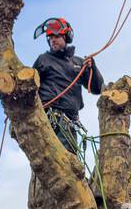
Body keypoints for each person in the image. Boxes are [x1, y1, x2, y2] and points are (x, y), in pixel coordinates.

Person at [32, 17, 104, 154]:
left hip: (69, 122)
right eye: (50, 37)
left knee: (69, 162)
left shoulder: (78, 63)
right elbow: (28, 88)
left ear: (66, 37)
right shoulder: (43, 60)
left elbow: (97, 88)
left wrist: (92, 67)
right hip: (49, 119)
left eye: (57, 36)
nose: (53, 39)